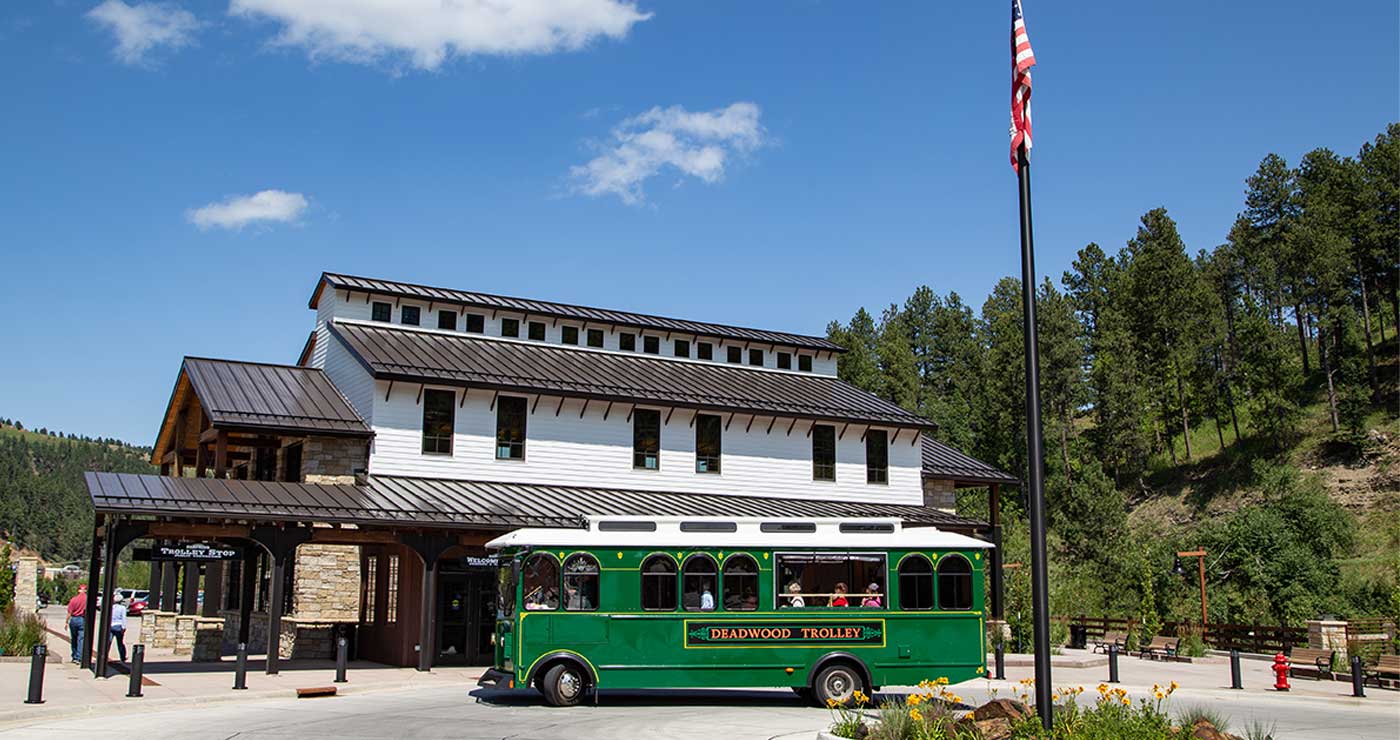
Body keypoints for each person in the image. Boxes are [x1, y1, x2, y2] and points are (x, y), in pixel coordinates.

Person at [66, 584, 88, 664]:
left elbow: (69, 612)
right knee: (81, 639)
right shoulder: (87, 599)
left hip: (74, 619)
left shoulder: (74, 599)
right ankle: (79, 657)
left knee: (74, 638)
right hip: (82, 619)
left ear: (78, 590)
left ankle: (74, 656)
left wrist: (66, 622)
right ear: (85, 590)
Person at [108, 593, 128, 663]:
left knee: (108, 642)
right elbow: (123, 618)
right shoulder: (122, 608)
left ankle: (105, 655)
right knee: (120, 642)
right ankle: (122, 657)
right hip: (118, 626)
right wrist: (124, 627)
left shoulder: (111, 607)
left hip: (111, 626)